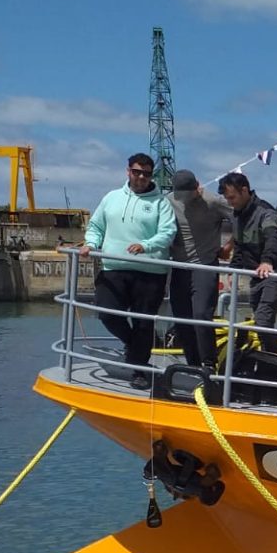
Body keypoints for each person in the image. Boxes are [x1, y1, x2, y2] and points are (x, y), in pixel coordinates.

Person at [80, 153, 177, 388]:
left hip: (150, 272)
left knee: (143, 323)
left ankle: (139, 371)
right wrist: (91, 244)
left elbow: (168, 233)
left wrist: (146, 245)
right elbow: (96, 226)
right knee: (107, 313)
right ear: (128, 172)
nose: (141, 177)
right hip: (114, 267)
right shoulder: (111, 198)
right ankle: (134, 349)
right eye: (136, 172)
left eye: (146, 174)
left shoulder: (161, 203)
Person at [218, 172, 277, 353]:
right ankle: (266, 356)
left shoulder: (266, 213)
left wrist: (267, 261)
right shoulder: (237, 215)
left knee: (262, 320)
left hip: (275, 271)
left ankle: (274, 360)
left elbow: (273, 238)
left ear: (244, 191)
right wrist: (233, 269)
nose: (230, 202)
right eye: (227, 199)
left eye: (232, 198)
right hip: (256, 274)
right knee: (258, 319)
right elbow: (240, 245)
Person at [167, 169, 232, 371]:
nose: (184, 200)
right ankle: (193, 364)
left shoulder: (213, 201)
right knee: (181, 318)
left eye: (189, 194)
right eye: (181, 196)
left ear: (197, 187)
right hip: (179, 266)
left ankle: (209, 363)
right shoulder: (168, 201)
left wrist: (228, 247)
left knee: (201, 314)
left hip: (205, 264)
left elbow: (241, 219)